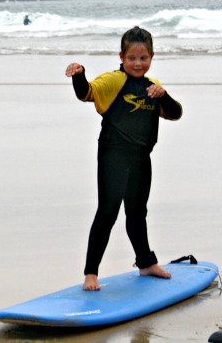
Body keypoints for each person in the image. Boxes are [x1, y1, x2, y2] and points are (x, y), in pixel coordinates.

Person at [65, 26, 182, 291]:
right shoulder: (113, 81)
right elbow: (86, 94)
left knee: (137, 213)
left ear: (151, 56)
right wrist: (79, 75)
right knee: (107, 212)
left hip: (141, 158)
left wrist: (165, 95)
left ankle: (146, 263)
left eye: (143, 58)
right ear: (121, 56)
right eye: (132, 58)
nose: (138, 64)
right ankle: (91, 273)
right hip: (113, 156)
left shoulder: (153, 87)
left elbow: (174, 114)